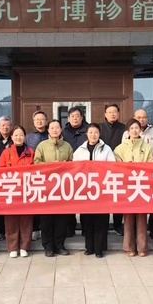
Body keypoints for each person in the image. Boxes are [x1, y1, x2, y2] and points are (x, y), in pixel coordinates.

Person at [73, 123, 115, 258]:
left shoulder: (106, 149)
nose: (93, 135)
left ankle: (99, 248)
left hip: (102, 189)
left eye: (96, 132)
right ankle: (89, 247)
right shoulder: (80, 150)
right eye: (90, 132)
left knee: (101, 220)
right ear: (86, 134)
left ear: (99, 134)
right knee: (87, 220)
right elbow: (74, 168)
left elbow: (112, 166)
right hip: (85, 190)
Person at [114, 118, 153, 257]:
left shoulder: (147, 147)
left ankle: (142, 247)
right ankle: (129, 246)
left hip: (142, 184)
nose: (134, 130)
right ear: (128, 130)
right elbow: (116, 165)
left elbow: (152, 164)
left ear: (140, 130)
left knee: (142, 217)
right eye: (132, 128)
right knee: (128, 217)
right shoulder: (120, 148)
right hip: (127, 185)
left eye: (137, 128)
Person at [34, 120, 74, 257]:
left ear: (61, 129)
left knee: (61, 219)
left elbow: (73, 164)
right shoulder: (42, 146)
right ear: (48, 130)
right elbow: (36, 163)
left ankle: (60, 245)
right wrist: (51, 165)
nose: (55, 130)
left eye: (57, 127)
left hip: (62, 188)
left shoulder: (67, 146)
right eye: (52, 128)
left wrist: (65, 165)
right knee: (46, 220)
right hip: (46, 188)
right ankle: (48, 246)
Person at [0, 125, 35, 258]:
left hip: (26, 190)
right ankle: (13, 247)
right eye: (16, 135)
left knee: (26, 219)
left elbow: (35, 170)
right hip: (10, 189)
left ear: (25, 137)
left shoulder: (31, 152)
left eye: (21, 135)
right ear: (12, 137)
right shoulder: (6, 152)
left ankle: (25, 246)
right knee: (11, 219)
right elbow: (0, 170)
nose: (18, 137)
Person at [99, 103, 126, 236]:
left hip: (119, 166)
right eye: (109, 112)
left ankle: (117, 225)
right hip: (102, 167)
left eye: (115, 111)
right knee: (102, 197)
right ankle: (102, 225)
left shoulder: (124, 128)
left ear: (118, 113)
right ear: (105, 114)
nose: (112, 114)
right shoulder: (99, 127)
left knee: (118, 196)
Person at [61, 107, 89, 237]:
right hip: (68, 171)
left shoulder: (88, 130)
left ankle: (85, 228)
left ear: (82, 117)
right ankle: (69, 228)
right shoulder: (63, 132)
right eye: (72, 116)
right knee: (69, 200)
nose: (75, 118)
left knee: (85, 200)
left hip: (85, 171)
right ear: (68, 118)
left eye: (77, 116)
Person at [26, 110, 49, 241]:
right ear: (33, 122)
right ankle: (35, 229)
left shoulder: (51, 134)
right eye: (37, 119)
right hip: (33, 175)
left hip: (50, 176)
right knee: (34, 203)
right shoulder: (28, 137)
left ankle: (44, 229)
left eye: (42, 119)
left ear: (46, 121)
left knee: (47, 204)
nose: (40, 121)